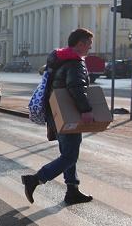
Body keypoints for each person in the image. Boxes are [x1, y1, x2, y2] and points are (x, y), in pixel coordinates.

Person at [22, 28, 95, 205]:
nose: (90, 49)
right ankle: (36, 179)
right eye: (89, 45)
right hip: (69, 114)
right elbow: (77, 87)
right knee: (70, 156)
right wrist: (85, 110)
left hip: (56, 113)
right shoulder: (75, 63)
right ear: (80, 44)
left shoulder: (60, 59)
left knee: (67, 153)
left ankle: (72, 190)